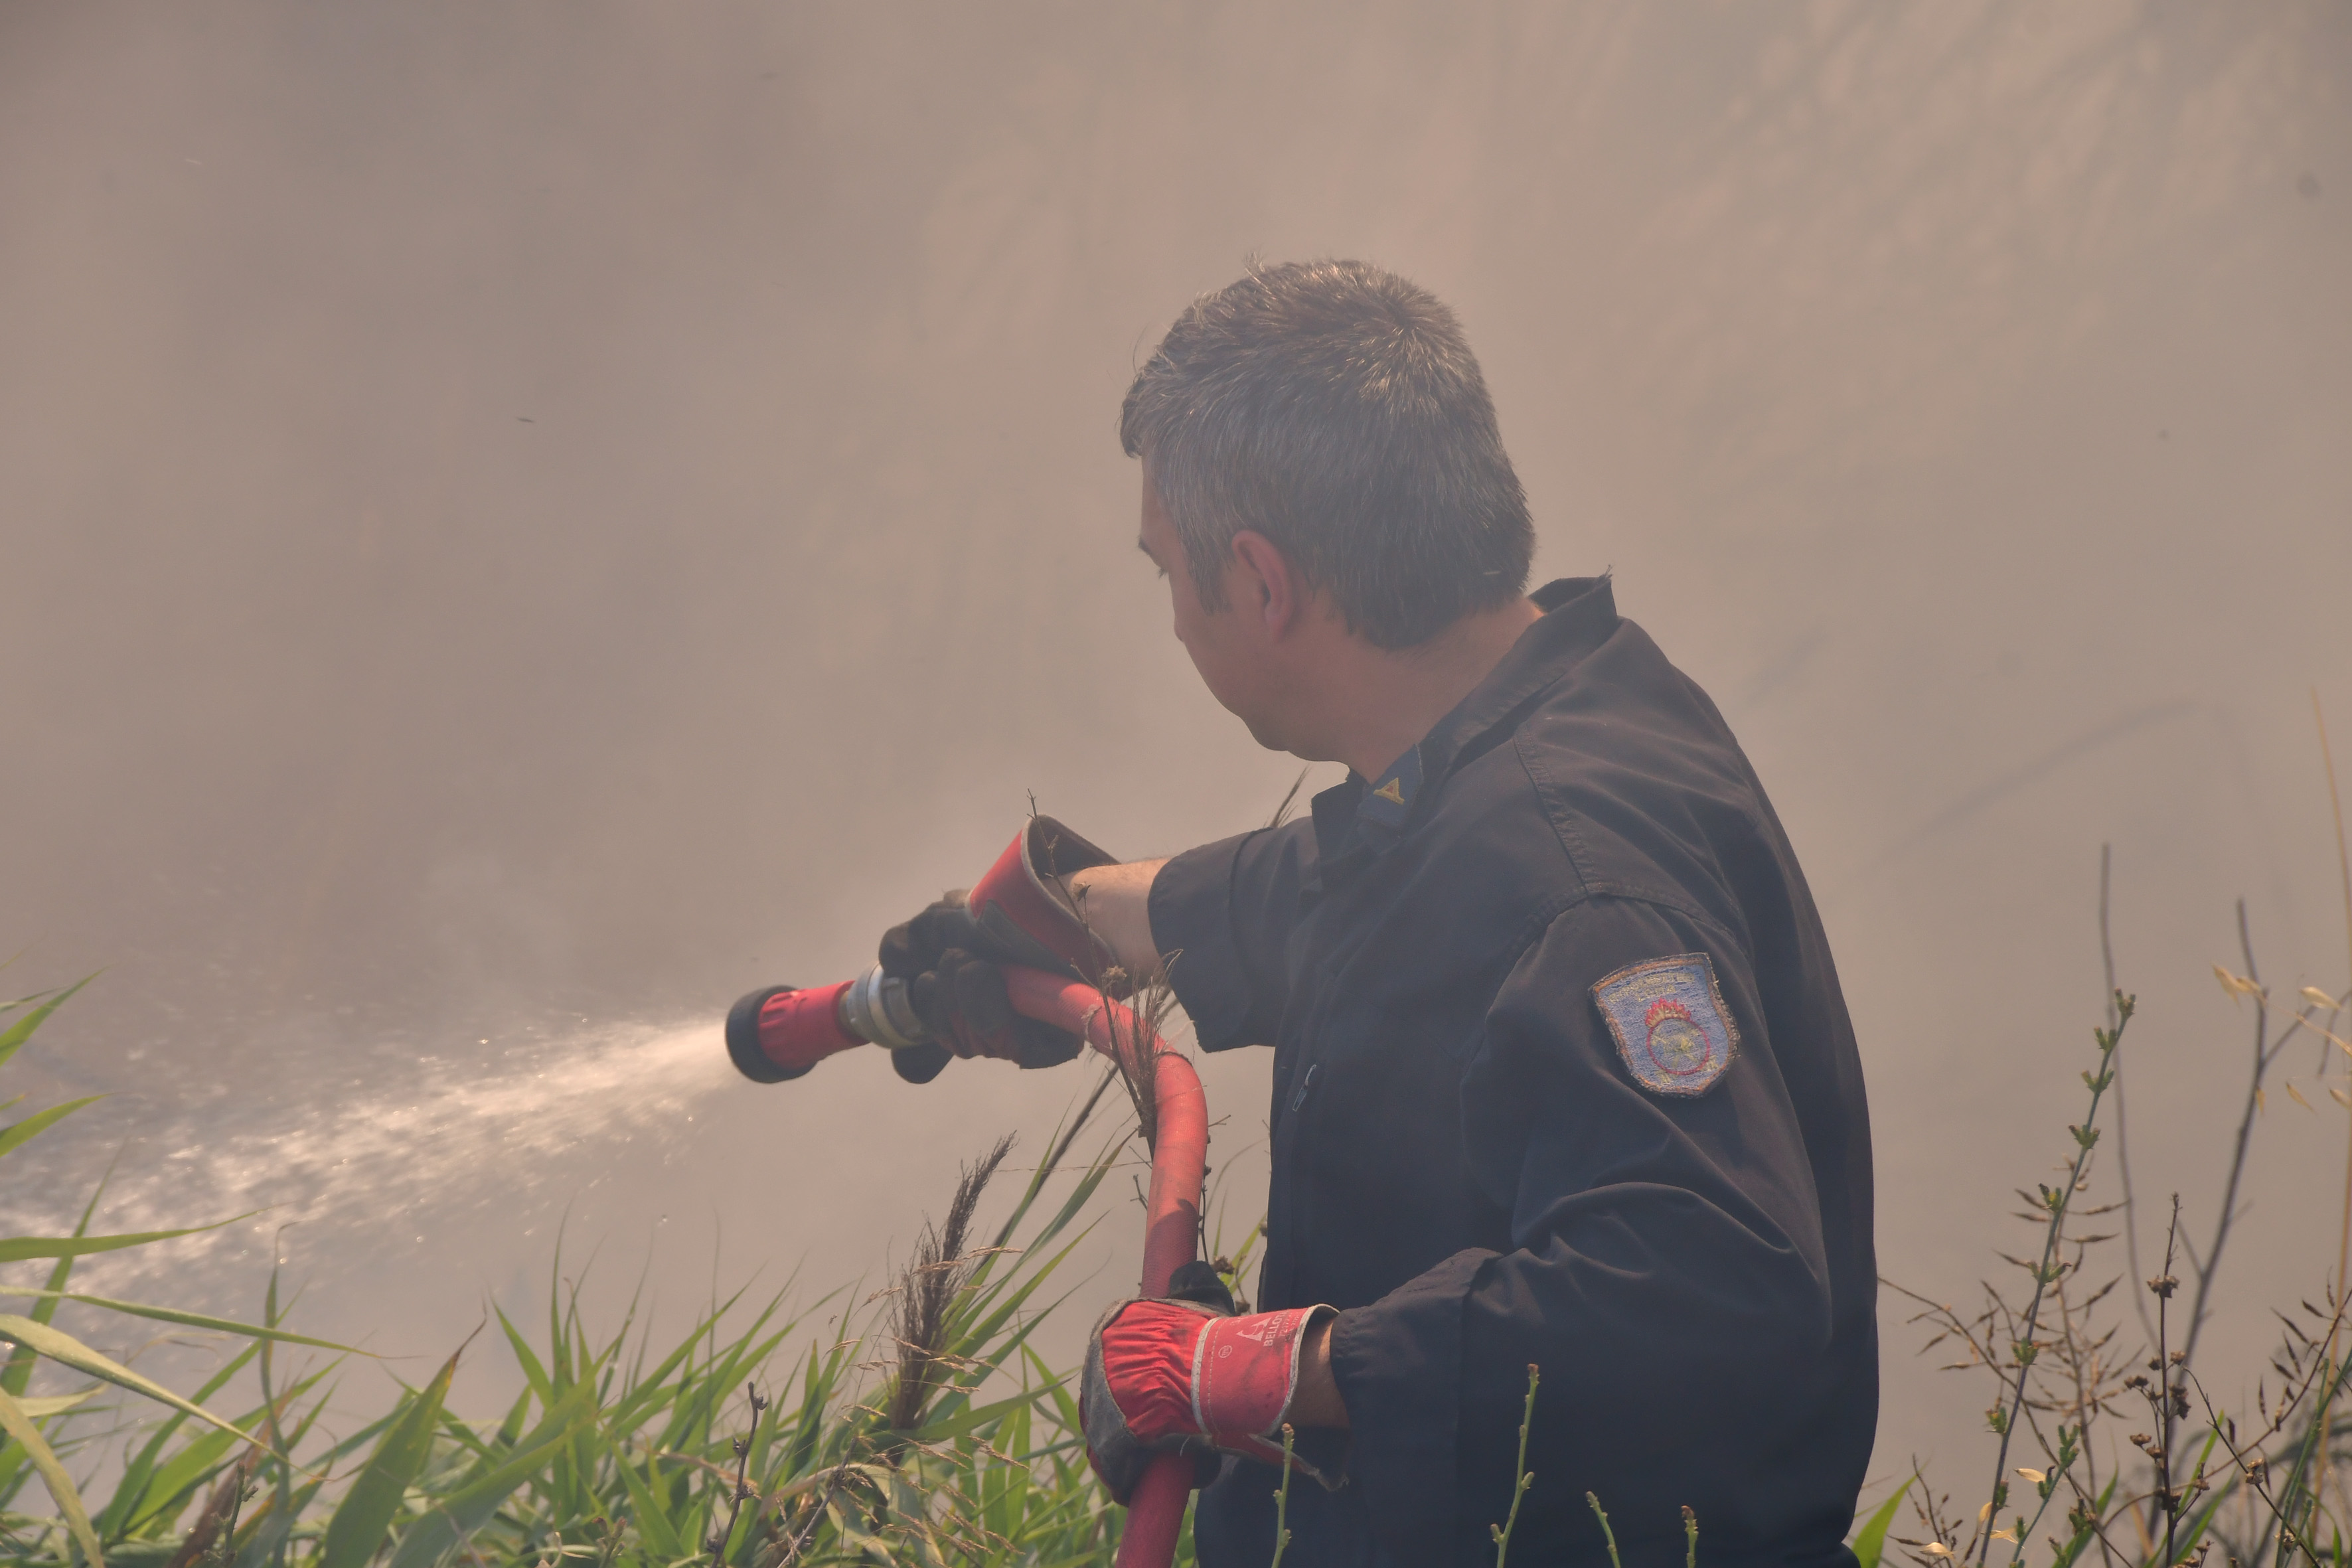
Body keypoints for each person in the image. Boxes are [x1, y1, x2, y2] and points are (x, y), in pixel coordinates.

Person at [878, 260, 1876, 1568]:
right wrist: (1072, 910)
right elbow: (1376, 894)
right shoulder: (1543, 722)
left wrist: (1261, 1368)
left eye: (1168, 573)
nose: (1173, 620)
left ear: (1259, 581)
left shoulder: (1585, 890)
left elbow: (1710, 1287)